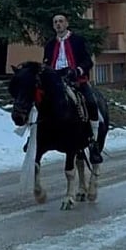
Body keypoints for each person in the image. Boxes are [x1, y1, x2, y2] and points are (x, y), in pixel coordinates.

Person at [42, 14, 102, 164]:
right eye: (55, 22)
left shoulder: (78, 41)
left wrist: (78, 71)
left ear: (67, 24)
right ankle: (35, 137)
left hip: (76, 80)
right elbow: (47, 64)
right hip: (56, 82)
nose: (58, 24)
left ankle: (93, 141)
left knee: (91, 103)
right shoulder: (49, 44)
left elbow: (88, 61)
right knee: (39, 103)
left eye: (61, 21)